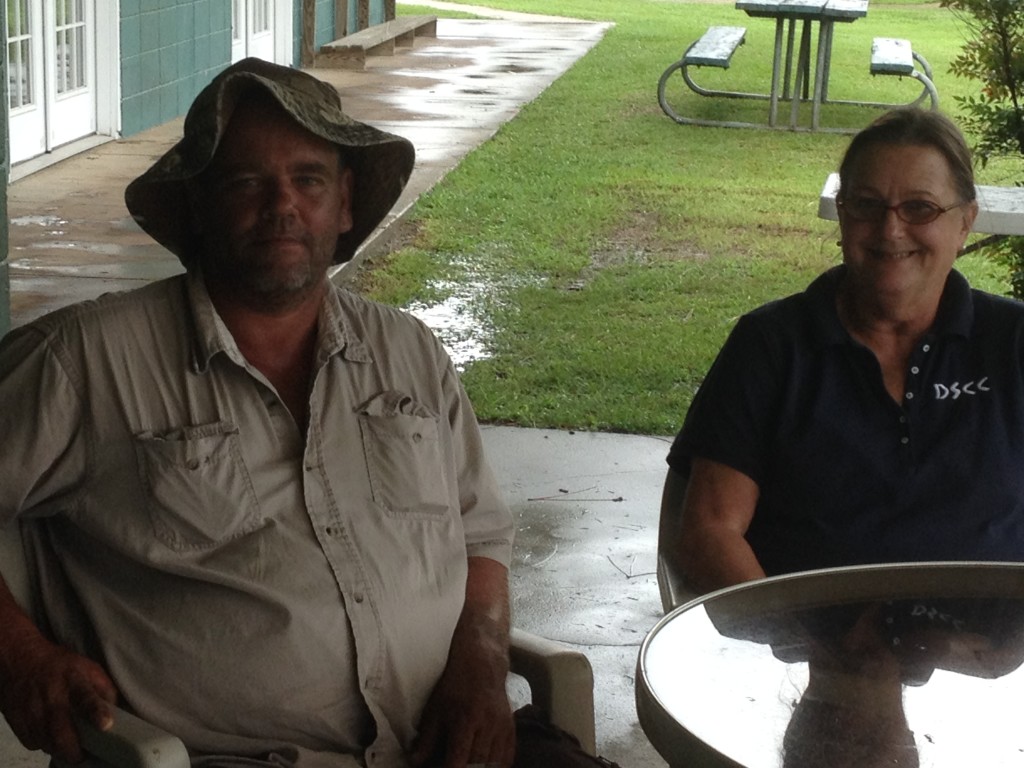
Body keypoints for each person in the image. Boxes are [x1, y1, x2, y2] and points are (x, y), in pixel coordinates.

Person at [0, 58, 603, 768]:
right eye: (246, 181)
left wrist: (479, 659)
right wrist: (22, 658)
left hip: (446, 742)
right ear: (197, 207)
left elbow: (480, 535)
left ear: (345, 204)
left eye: (308, 179)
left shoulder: (408, 352)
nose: (281, 204)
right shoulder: (83, 361)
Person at [663, 107, 1024, 595]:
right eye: (867, 205)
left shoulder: (1013, 342)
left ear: (965, 224)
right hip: (807, 654)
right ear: (842, 216)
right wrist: (814, 642)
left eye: (920, 207)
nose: (890, 230)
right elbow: (709, 532)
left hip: (988, 656)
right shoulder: (771, 346)